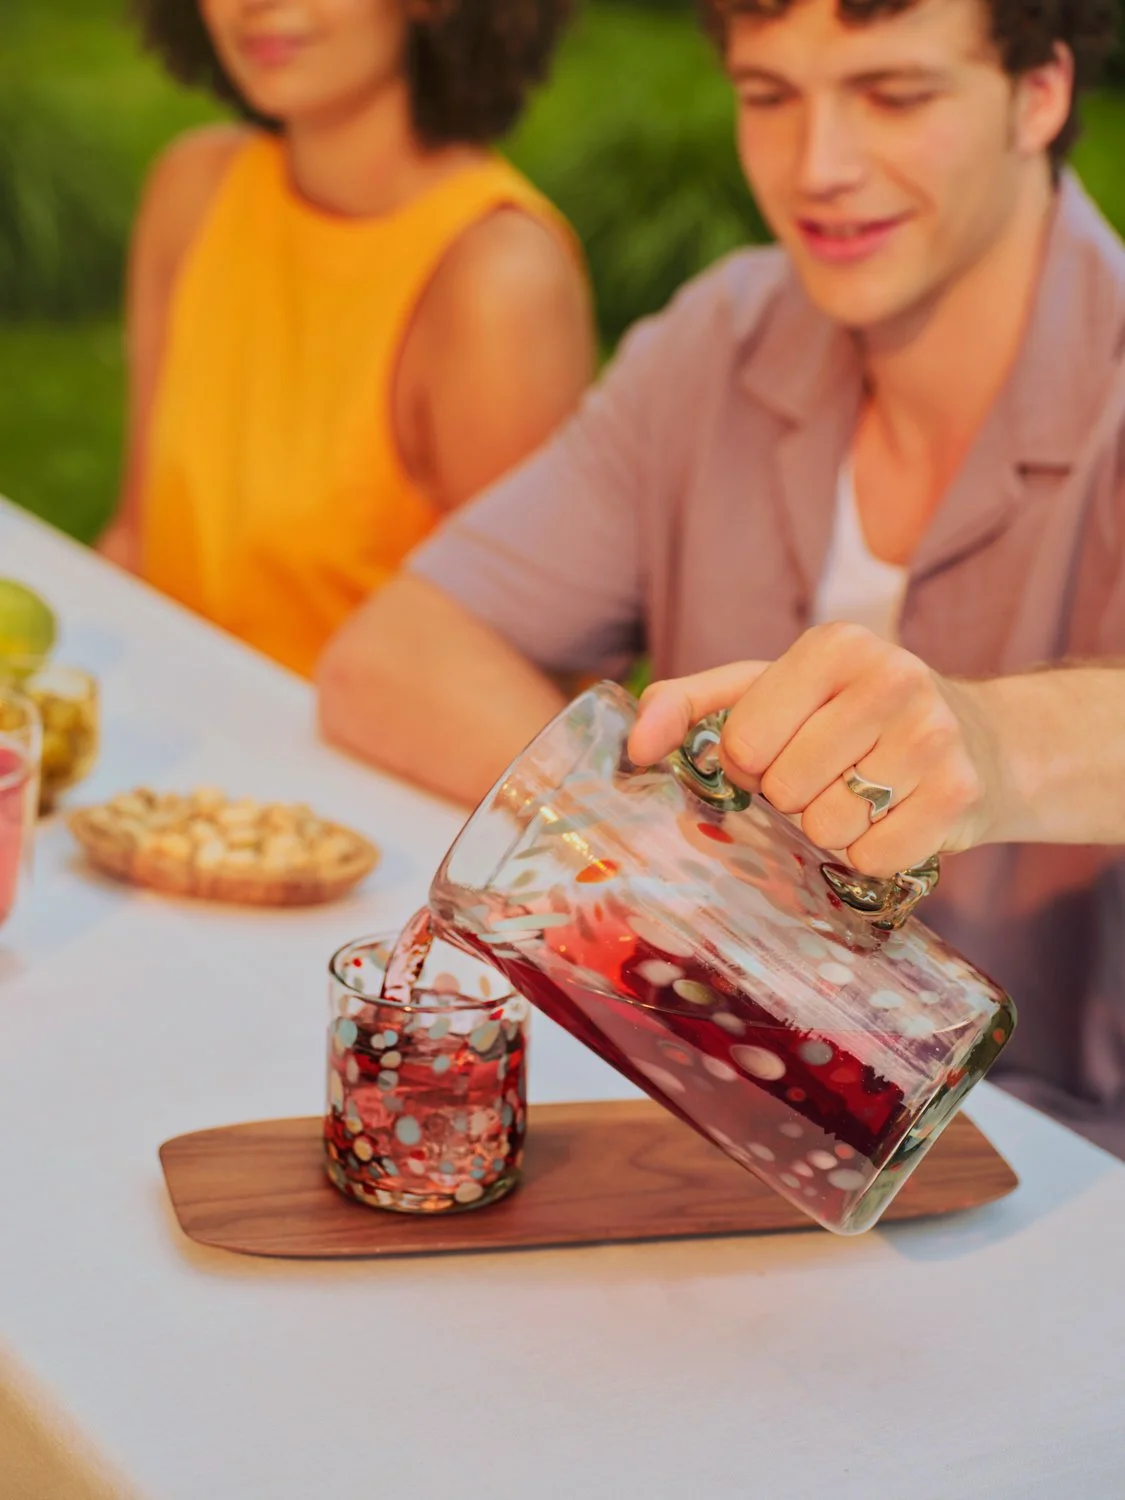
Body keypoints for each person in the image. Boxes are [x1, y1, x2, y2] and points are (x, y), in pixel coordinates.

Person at [318, 0, 1125, 1152]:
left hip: (1056, 1183)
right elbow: (393, 654)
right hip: (723, 1127)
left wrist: (991, 744)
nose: (820, 167)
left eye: (895, 95)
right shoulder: (724, 336)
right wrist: (666, 866)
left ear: (1039, 93)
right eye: (769, 97)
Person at [96, 0, 593, 678]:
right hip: (160, 747)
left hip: (357, 776)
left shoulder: (494, 282)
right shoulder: (193, 190)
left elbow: (534, 691)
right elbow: (135, 541)